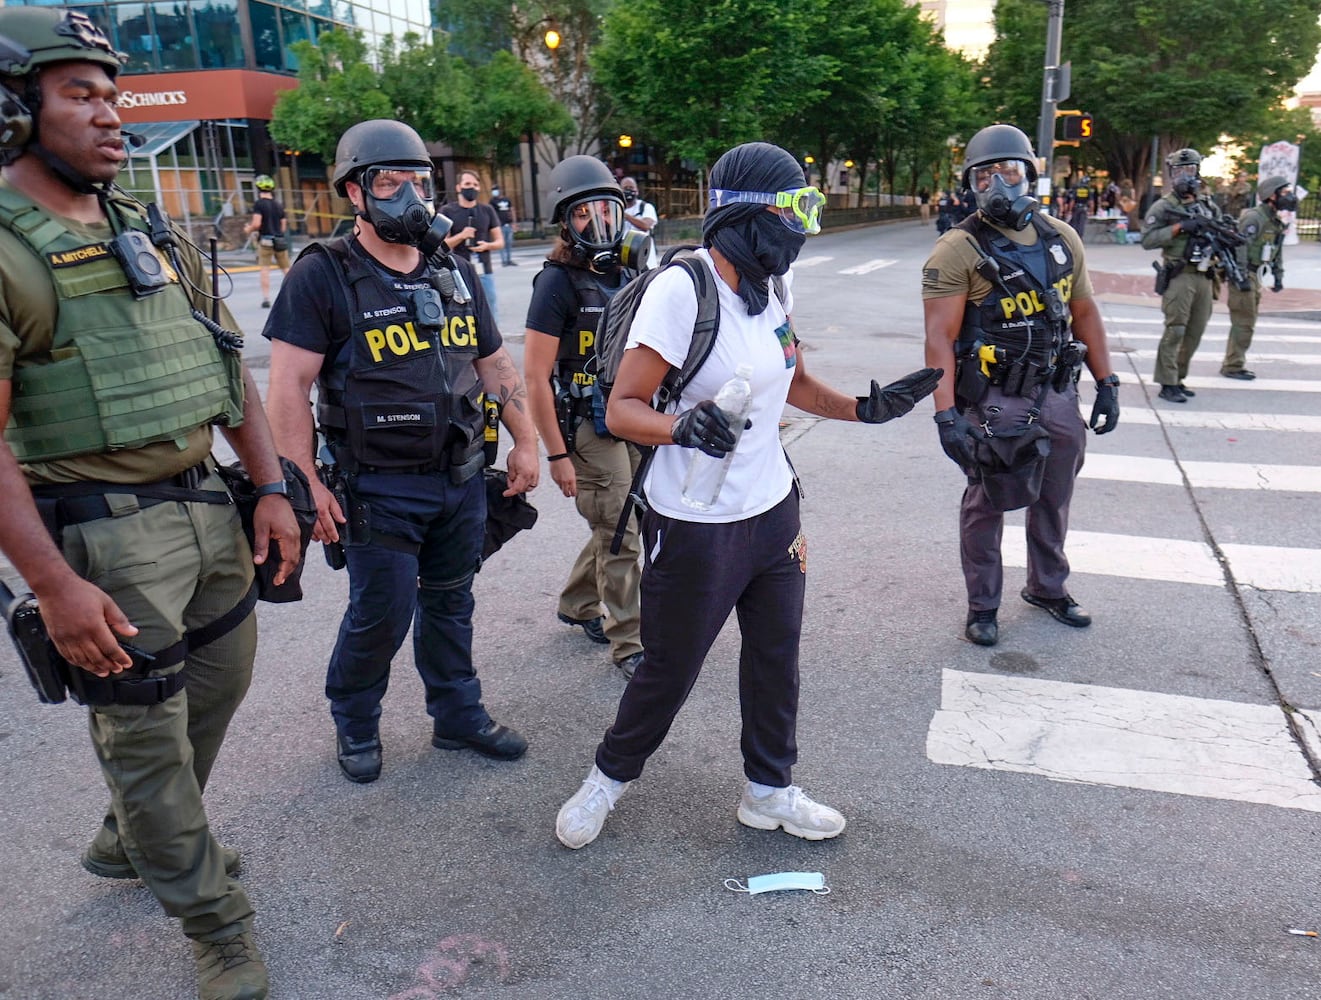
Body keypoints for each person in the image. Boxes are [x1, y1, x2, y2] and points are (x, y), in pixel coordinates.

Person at [0, 8, 302, 998]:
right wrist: (50, 584)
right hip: (104, 542)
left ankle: (133, 836)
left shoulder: (144, 228)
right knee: (147, 738)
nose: (109, 114)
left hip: (209, 513)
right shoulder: (10, 252)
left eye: (112, 93)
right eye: (79, 95)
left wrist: (269, 486)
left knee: (216, 691)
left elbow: (227, 370)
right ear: (12, 110)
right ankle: (218, 927)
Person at [553, 140, 940, 850]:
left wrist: (864, 408)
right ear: (747, 216)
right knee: (669, 668)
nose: (801, 227)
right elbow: (621, 409)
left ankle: (768, 790)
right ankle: (605, 780)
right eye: (794, 208)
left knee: (774, 657)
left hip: (773, 514)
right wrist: (682, 427)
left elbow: (789, 378)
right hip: (696, 524)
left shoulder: (771, 288)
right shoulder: (682, 291)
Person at [263, 121, 539, 784]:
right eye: (389, 182)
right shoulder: (322, 274)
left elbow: (493, 358)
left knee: (451, 600)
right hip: (376, 487)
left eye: (416, 180)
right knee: (380, 614)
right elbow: (286, 388)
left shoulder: (455, 268)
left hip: (461, 476)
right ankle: (356, 721)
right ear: (355, 193)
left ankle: (457, 716)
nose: (407, 196)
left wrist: (527, 438)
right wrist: (304, 485)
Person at [922, 124, 1119, 649]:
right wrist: (946, 415)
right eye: (985, 175)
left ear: (1030, 174)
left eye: (1009, 171)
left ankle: (1047, 587)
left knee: (1055, 492)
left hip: (1055, 388)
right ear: (970, 185)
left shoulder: (1061, 239)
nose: (999, 185)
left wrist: (1108, 381)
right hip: (992, 397)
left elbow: (1085, 313)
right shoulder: (957, 250)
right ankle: (983, 604)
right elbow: (938, 339)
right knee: (989, 498)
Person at [523, 156, 644, 679]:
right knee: (622, 531)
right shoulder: (556, 284)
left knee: (619, 517)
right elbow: (533, 378)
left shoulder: (629, 273)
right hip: (587, 424)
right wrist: (555, 454)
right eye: (583, 212)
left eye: (608, 208)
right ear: (565, 222)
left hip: (632, 414)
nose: (598, 221)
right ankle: (630, 643)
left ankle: (578, 603)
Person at [1140, 147, 1233, 403]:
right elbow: (1147, 239)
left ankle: (1179, 377)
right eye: (1179, 171)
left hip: (1204, 275)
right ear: (1171, 173)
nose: (1184, 176)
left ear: (1197, 172)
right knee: (1176, 329)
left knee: (1195, 331)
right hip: (1179, 274)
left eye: (1189, 170)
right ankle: (1166, 382)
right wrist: (1179, 228)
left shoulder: (1207, 205)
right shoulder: (1164, 206)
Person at [1222, 175, 1293, 380]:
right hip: (1246, 274)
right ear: (1272, 195)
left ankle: (1234, 362)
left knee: (1247, 321)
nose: (1289, 197)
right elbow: (1241, 245)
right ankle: (1233, 366)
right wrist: (1241, 276)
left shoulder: (1274, 220)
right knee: (1244, 321)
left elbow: (1276, 250)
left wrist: (1278, 276)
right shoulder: (1254, 217)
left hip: (1256, 275)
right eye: (1285, 192)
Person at [438, 169, 503, 315]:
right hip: (457, 271)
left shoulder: (487, 210)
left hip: (484, 269)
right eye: (467, 183)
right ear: (459, 187)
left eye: (475, 184)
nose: (471, 187)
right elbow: (442, 245)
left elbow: (500, 242)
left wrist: (488, 245)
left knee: (489, 308)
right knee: (461, 312)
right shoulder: (447, 211)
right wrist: (461, 236)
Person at [245, 173, 288, 308]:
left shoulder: (259, 204)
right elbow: (283, 225)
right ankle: (299, 294)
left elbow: (257, 223)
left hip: (265, 241)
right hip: (280, 241)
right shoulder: (278, 205)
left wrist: (248, 229)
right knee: (287, 269)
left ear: (258, 188)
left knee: (265, 269)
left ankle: (266, 298)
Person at [491, 184, 517, 266]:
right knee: (502, 243)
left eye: (495, 190)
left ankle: (509, 259)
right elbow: (492, 213)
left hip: (508, 224)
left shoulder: (507, 200)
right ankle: (504, 261)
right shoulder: (492, 201)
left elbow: (512, 210)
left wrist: (514, 222)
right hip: (499, 225)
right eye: (493, 190)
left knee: (509, 243)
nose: (494, 192)